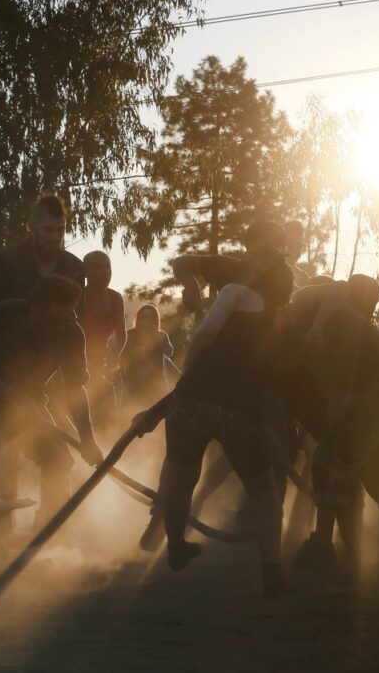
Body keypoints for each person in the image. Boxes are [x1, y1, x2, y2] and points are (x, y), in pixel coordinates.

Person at [139, 222, 294, 596]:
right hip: (240, 409)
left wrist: (188, 381)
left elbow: (206, 334)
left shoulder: (235, 290)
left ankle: (176, 545)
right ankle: (271, 569)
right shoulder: (277, 318)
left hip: (195, 401)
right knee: (262, 489)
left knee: (180, 475)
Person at [279, 276, 379, 574]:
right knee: (342, 464)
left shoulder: (332, 320)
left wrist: (331, 430)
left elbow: (341, 391)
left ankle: (339, 549)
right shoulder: (323, 323)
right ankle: (338, 547)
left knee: (340, 462)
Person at [0, 276, 103, 547]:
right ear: (34, 308)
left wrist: (87, 438)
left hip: (31, 402)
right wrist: (18, 401)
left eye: (67, 319)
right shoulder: (5, 316)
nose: (61, 328)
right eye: (54, 321)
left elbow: (75, 389)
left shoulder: (71, 332)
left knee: (58, 459)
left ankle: (48, 532)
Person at [0, 194, 84, 329]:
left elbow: (81, 319)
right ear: (32, 227)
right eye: (48, 229)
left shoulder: (75, 267)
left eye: (60, 230)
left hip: (58, 349)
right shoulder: (1, 262)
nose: (55, 237)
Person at [78, 250, 126, 428]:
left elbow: (121, 333)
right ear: (86, 272)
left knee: (109, 412)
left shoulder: (115, 298)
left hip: (105, 361)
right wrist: (86, 363)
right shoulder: (78, 296)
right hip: (78, 361)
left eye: (107, 267)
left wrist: (114, 358)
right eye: (98, 268)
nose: (105, 272)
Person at [120, 304, 174, 409]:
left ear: (155, 319)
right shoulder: (130, 335)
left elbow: (169, 352)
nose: (147, 320)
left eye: (151, 317)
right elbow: (122, 355)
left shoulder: (161, 335)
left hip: (154, 383)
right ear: (138, 319)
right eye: (144, 317)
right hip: (132, 383)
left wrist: (157, 339)